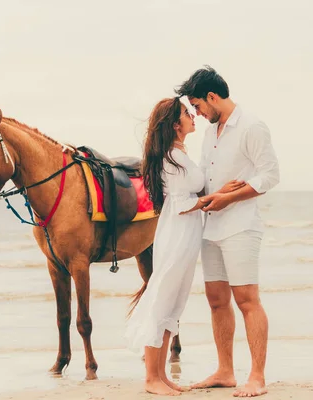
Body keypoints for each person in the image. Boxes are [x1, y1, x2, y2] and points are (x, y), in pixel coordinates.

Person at [125, 97, 245, 396]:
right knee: (163, 301)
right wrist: (216, 197)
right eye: (186, 113)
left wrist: (217, 192)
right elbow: (180, 203)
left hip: (187, 234)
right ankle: (151, 378)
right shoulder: (170, 157)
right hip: (177, 234)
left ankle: (161, 375)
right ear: (175, 124)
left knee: (173, 304)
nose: (193, 115)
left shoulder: (180, 154)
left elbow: (190, 195)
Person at [176, 66, 280, 398]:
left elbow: (270, 176)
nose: (196, 113)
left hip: (241, 226)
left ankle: (257, 377)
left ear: (212, 96)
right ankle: (225, 371)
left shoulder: (251, 125)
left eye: (198, 105)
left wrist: (229, 197)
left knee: (247, 300)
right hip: (211, 227)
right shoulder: (210, 133)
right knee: (217, 301)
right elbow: (208, 181)